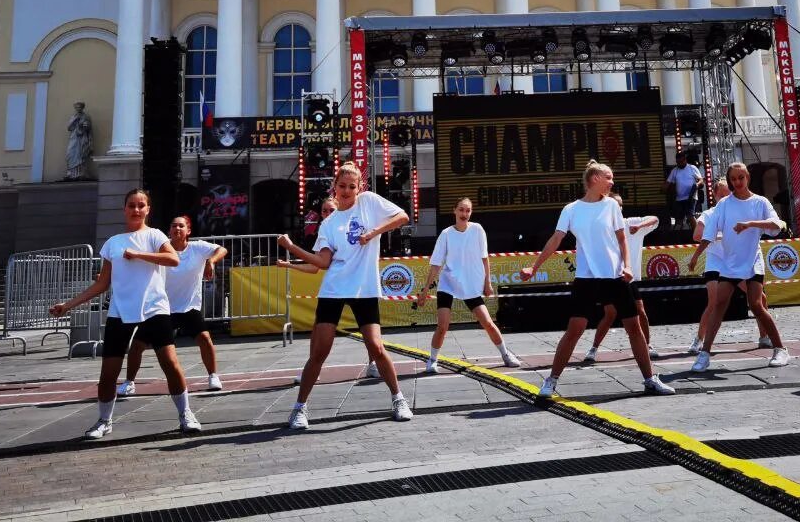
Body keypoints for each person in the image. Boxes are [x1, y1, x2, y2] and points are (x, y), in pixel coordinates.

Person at [50, 188, 200, 439]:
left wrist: (139, 255)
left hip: (154, 308)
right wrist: (67, 306)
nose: (136, 210)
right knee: (109, 371)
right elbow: (102, 284)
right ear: (125, 209)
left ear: (148, 210)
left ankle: (186, 415)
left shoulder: (154, 235)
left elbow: (173, 258)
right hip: (120, 312)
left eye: (141, 205)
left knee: (170, 364)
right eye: (132, 205)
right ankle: (104, 421)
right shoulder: (113, 243)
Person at [520, 160, 675, 399]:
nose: (612, 182)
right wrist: (534, 266)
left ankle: (650, 379)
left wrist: (628, 266)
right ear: (594, 179)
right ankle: (550, 382)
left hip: (615, 276)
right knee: (575, 329)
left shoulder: (612, 205)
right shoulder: (571, 209)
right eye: (609, 177)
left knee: (634, 328)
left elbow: (622, 239)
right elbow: (555, 239)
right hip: (587, 279)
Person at [277, 162, 413, 429]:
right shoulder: (329, 223)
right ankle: (299, 408)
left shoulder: (369, 203)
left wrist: (373, 233)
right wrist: (292, 248)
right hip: (335, 289)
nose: (347, 190)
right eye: (342, 186)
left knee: (376, 346)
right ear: (334, 188)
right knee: (319, 352)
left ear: (359, 187)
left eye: (352, 186)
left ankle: (398, 398)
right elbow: (323, 262)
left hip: (364, 287)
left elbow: (403, 217)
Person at [690, 162, 790, 370]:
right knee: (719, 304)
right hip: (730, 263)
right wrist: (695, 256)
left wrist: (751, 224)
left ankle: (780, 349)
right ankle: (705, 354)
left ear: (747, 178)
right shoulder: (724, 205)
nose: (737, 182)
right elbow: (708, 234)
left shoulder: (760, 202)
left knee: (756, 304)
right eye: (733, 179)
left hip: (752, 261)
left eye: (740, 178)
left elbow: (777, 225)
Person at [117, 214, 229, 396]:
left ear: (188, 231)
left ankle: (213, 376)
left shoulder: (198, 248)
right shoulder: (161, 248)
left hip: (188, 307)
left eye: (181, 226)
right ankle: (129, 382)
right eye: (173, 226)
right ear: (169, 230)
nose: (177, 229)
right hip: (161, 308)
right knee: (137, 345)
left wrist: (211, 261)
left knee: (204, 338)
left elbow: (222, 249)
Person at [416, 197, 522, 372]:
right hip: (448, 284)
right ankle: (433, 360)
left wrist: (487, 282)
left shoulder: (478, 230)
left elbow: (484, 258)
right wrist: (425, 290)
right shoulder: (446, 234)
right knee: (443, 326)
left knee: (487, 322)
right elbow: (436, 264)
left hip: (470, 285)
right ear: (454, 211)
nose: (464, 213)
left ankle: (506, 354)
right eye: (461, 210)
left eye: (468, 210)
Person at [687, 179, 772, 355]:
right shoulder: (710, 213)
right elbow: (697, 235)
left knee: (759, 298)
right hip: (716, 261)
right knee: (714, 301)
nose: (726, 197)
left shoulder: (742, 209)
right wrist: (720, 235)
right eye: (722, 194)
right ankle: (699, 340)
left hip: (735, 261)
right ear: (715, 196)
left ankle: (764, 337)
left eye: (728, 193)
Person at [583, 190, 659, 363]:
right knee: (610, 313)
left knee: (640, 311)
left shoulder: (629, 223)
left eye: (620, 205)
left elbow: (655, 219)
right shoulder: (601, 227)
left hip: (626, 278)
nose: (617, 207)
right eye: (613, 204)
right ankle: (593, 348)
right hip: (607, 278)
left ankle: (647, 346)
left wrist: (639, 227)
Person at [665, 150, 703, 230]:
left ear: (685, 160)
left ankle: (697, 235)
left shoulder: (692, 168)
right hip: (679, 199)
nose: (680, 164)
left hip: (691, 196)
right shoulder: (675, 170)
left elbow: (701, 180)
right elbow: (668, 183)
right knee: (678, 218)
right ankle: (677, 236)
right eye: (678, 162)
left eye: (682, 161)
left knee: (690, 215)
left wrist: (697, 184)